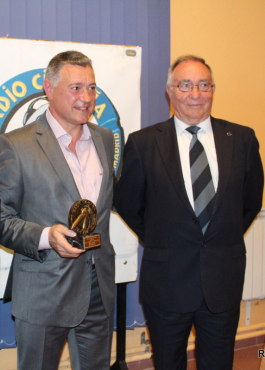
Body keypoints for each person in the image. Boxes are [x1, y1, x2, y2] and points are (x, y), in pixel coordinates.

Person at [114, 55, 264, 370]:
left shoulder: (242, 139)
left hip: (222, 282)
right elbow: (128, 203)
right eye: (185, 85)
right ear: (170, 91)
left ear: (212, 90)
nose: (195, 94)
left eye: (203, 85)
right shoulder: (143, 144)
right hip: (167, 282)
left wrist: (220, 233)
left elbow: (249, 203)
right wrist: (159, 236)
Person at [0, 50, 115, 370]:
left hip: (98, 287)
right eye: (75, 88)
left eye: (91, 87)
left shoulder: (104, 139)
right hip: (44, 291)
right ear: (48, 89)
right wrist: (46, 236)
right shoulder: (16, 145)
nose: (86, 97)